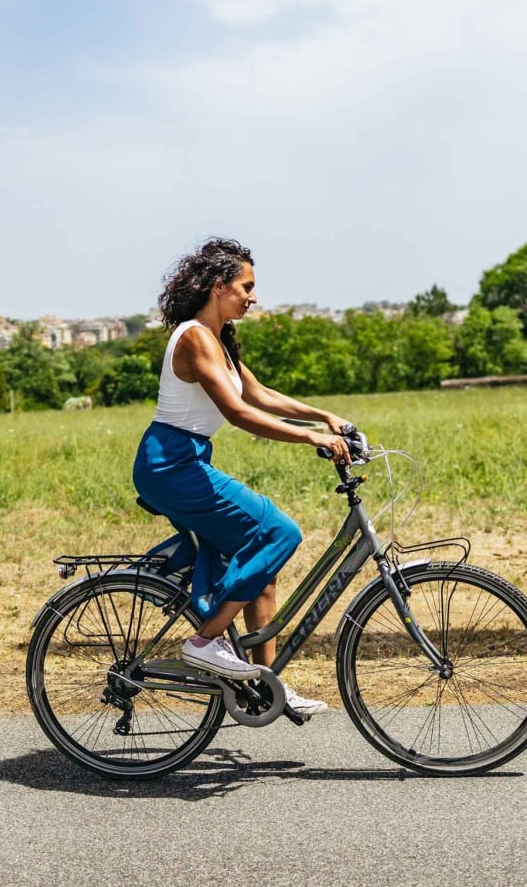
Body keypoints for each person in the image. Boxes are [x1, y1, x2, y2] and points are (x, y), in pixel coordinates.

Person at [132, 238, 352, 718]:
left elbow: (260, 394)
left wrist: (322, 417)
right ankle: (205, 643)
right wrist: (310, 438)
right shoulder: (194, 337)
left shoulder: (219, 339)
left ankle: (265, 686)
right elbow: (236, 412)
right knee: (280, 532)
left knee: (261, 573)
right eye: (246, 287)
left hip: (186, 462)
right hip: (170, 465)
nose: (253, 297)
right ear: (218, 287)